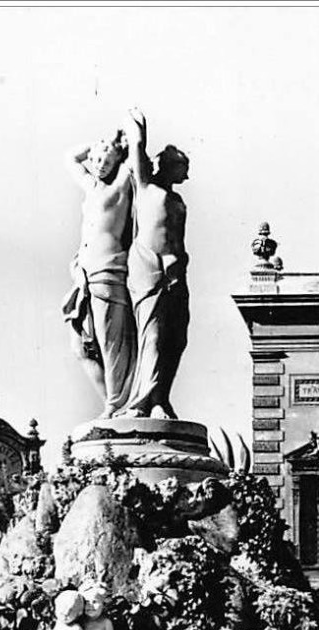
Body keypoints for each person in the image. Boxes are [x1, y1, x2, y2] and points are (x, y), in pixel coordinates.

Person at [61, 127, 137, 418]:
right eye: (98, 157)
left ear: (119, 160)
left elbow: (134, 153)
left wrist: (121, 144)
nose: (101, 162)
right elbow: (70, 157)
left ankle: (116, 404)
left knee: (110, 342)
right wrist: (98, 144)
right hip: (84, 272)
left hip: (109, 269)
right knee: (80, 345)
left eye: (109, 157)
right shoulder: (91, 186)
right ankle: (113, 402)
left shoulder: (121, 183)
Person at [121, 107, 190, 419]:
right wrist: (138, 131)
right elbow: (137, 149)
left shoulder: (176, 199)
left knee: (177, 338)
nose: (186, 175)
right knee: (154, 334)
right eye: (182, 167)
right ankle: (145, 401)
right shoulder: (146, 186)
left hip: (176, 272)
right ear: (168, 165)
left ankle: (162, 397)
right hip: (149, 266)